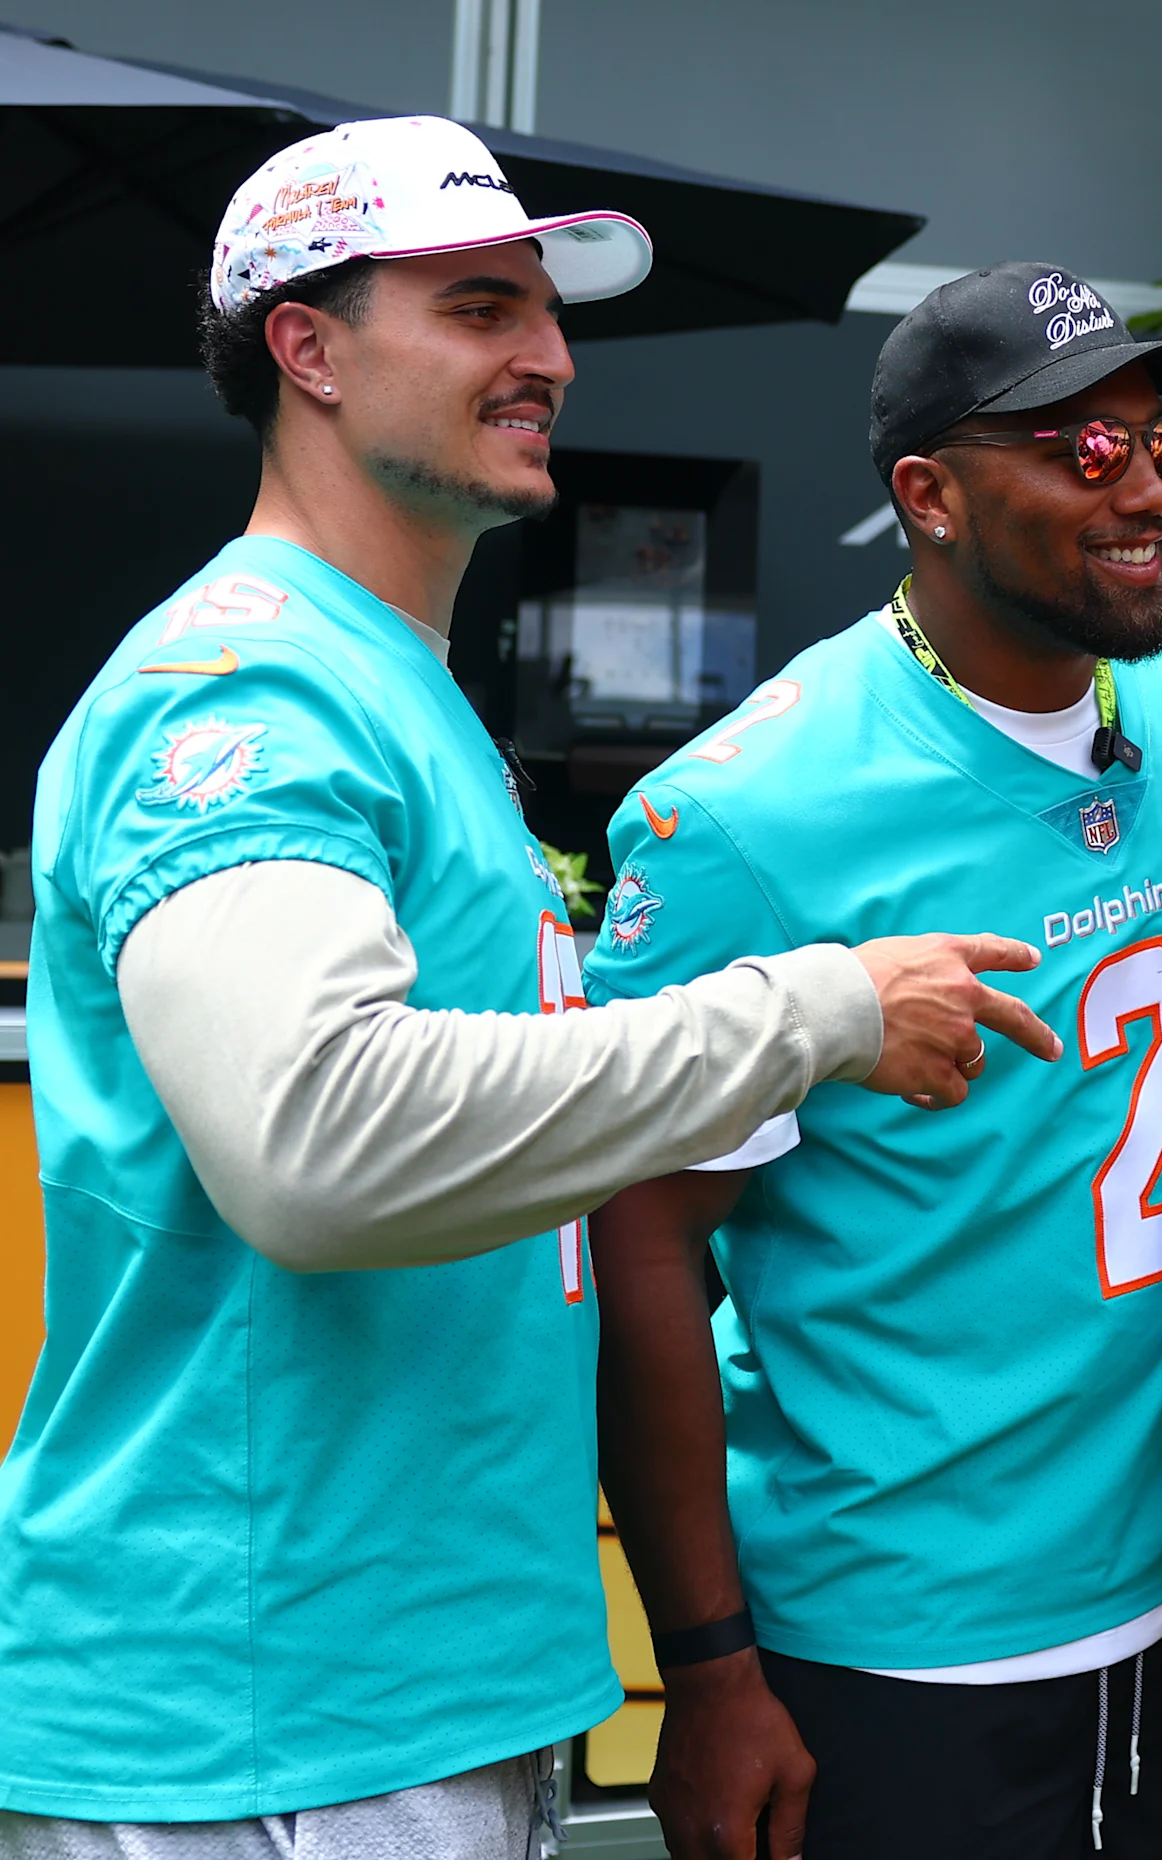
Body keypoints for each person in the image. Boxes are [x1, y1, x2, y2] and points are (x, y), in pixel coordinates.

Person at [0, 120, 1056, 1858]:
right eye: (481, 308)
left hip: (396, 1693)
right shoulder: (242, 691)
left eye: (549, 313)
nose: (551, 357)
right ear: (307, 348)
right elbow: (315, 1142)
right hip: (264, 1715)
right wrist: (812, 1013)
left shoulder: (383, 681)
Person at [581, 263, 1162, 1860]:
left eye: (1161, 442)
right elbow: (642, 1252)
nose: (1146, 484)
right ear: (930, 496)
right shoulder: (745, 814)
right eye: (1085, 448)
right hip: (894, 1640)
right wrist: (707, 1667)